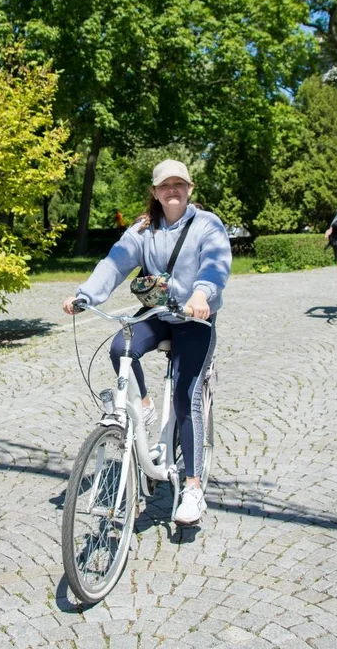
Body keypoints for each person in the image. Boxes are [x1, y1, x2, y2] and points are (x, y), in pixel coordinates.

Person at [63, 159, 231, 525]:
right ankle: (143, 403)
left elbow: (216, 264)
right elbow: (115, 262)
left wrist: (203, 295)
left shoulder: (207, 224)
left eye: (179, 184)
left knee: (188, 398)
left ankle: (192, 487)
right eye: (165, 185)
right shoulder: (143, 229)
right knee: (118, 346)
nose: (173, 190)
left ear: (189, 189)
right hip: (157, 315)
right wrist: (86, 296)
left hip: (194, 320)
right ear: (155, 192)